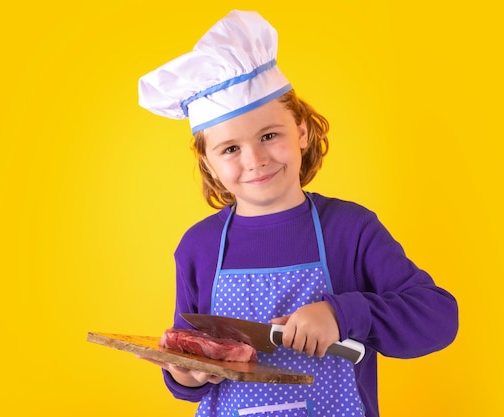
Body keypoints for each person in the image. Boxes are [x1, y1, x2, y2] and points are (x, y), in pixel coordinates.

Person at [137, 10, 458, 417]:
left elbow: (438, 318)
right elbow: (188, 364)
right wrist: (188, 375)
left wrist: (342, 314)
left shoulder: (350, 230)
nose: (254, 160)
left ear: (302, 131)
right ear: (208, 162)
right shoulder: (197, 247)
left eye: (269, 135)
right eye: (230, 148)